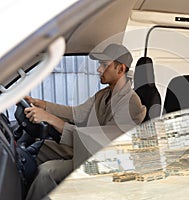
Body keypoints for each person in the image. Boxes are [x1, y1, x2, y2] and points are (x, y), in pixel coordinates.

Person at [24, 43, 146, 200]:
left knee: (46, 172)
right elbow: (75, 113)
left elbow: (99, 140)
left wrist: (49, 118)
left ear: (120, 69)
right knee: (36, 151)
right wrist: (43, 104)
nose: (99, 70)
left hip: (103, 161)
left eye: (104, 65)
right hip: (86, 150)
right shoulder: (103, 94)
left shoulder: (131, 104)